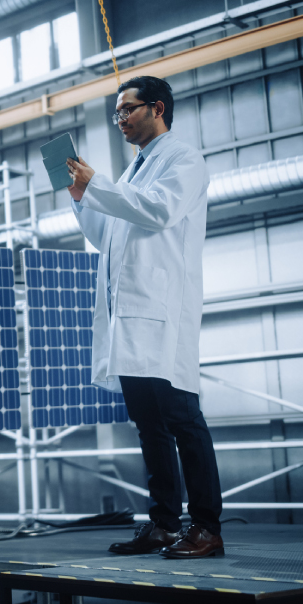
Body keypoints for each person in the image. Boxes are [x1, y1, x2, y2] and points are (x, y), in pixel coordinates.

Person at [65, 75, 222, 559]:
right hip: (129, 319)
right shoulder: (133, 172)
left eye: (126, 110)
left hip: (162, 313)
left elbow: (158, 212)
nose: (120, 120)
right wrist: (81, 197)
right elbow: (107, 235)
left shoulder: (183, 160)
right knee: (149, 424)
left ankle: (207, 528)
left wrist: (99, 185)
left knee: (182, 419)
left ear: (157, 108)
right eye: (116, 113)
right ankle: (163, 524)